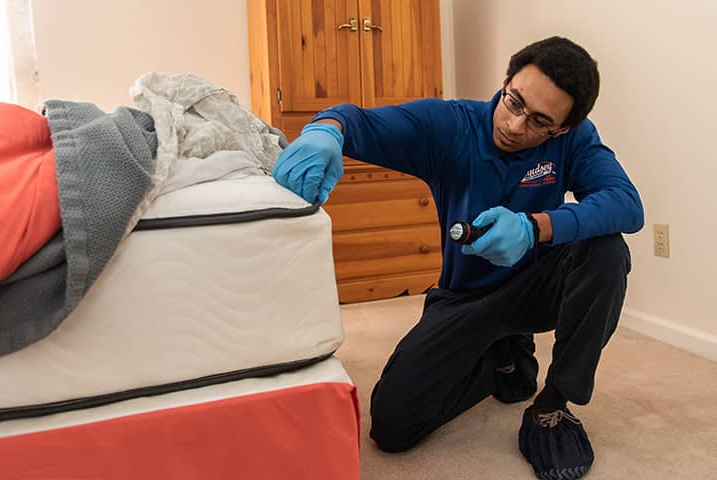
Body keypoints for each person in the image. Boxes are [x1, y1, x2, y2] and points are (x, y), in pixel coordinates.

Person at [272, 36, 643, 480]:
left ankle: (553, 406)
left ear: (561, 129)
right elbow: (356, 120)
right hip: (466, 297)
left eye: (539, 121)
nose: (514, 124)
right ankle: (501, 358)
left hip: (534, 286)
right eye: (514, 102)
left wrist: (536, 227)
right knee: (392, 426)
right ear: (505, 82)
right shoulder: (450, 124)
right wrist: (324, 131)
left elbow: (626, 203)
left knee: (606, 251)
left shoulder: (575, 140)